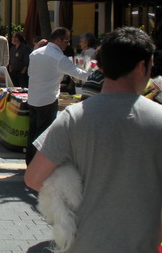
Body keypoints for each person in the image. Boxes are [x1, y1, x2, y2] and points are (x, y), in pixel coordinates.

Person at [25, 27, 162, 252]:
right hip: (141, 241)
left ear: (100, 65)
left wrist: (75, 196)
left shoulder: (73, 117)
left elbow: (33, 178)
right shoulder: (159, 119)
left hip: (85, 241)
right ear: (141, 66)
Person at [26, 27, 89, 165]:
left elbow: (31, 73)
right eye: (66, 41)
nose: (68, 44)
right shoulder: (59, 58)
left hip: (33, 98)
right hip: (48, 100)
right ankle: (36, 165)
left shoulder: (35, 53)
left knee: (32, 133)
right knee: (42, 136)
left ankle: (30, 162)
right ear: (58, 40)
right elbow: (78, 73)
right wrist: (98, 77)